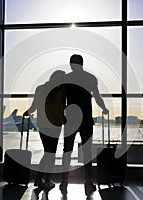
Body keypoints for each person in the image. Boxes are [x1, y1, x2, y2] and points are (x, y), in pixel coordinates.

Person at [60, 54, 109, 196]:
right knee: (87, 153)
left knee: (67, 151)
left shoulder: (67, 78)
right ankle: (88, 182)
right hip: (86, 119)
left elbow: (63, 99)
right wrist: (104, 108)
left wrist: (63, 114)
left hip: (70, 119)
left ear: (71, 64)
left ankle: (64, 182)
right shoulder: (90, 78)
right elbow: (97, 96)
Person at [23, 70, 66, 193]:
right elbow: (61, 109)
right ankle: (46, 180)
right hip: (55, 126)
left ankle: (39, 179)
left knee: (47, 153)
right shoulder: (60, 91)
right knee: (50, 154)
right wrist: (63, 118)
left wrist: (28, 112)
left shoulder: (40, 88)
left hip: (42, 126)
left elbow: (34, 105)